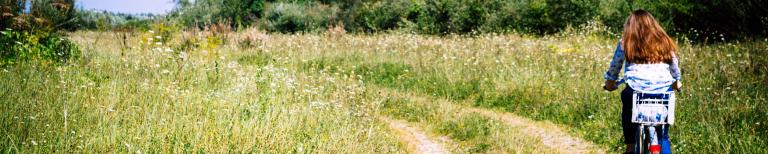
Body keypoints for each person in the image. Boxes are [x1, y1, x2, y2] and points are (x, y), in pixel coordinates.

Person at [603, 10, 682, 154]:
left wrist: (609, 85)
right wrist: (677, 82)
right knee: (662, 134)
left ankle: (631, 147)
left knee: (628, 108)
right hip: (663, 92)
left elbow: (615, 67)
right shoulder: (665, 41)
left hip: (635, 91)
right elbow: (674, 67)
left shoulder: (625, 43)